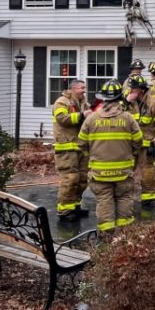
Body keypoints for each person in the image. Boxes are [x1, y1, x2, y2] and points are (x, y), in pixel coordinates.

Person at [77, 79, 143, 233]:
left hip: (99, 173)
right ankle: (124, 239)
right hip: (123, 172)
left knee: (104, 202)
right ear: (120, 98)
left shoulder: (91, 119)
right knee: (124, 199)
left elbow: (81, 143)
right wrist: (130, 155)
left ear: (102, 98)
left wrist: (92, 156)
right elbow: (138, 141)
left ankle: (107, 238)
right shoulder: (128, 118)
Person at [51, 79, 92, 221]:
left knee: (82, 179)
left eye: (84, 87)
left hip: (81, 147)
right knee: (70, 179)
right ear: (73, 88)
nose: (84, 90)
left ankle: (75, 206)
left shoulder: (84, 103)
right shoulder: (62, 102)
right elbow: (62, 118)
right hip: (66, 147)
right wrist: (82, 115)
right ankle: (65, 210)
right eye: (82, 88)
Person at [124, 74, 155, 209]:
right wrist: (125, 102)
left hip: (146, 145)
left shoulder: (154, 103)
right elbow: (116, 114)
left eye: (133, 89)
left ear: (141, 90)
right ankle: (123, 197)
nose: (130, 91)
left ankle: (149, 198)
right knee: (125, 171)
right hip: (130, 145)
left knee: (148, 171)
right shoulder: (127, 102)